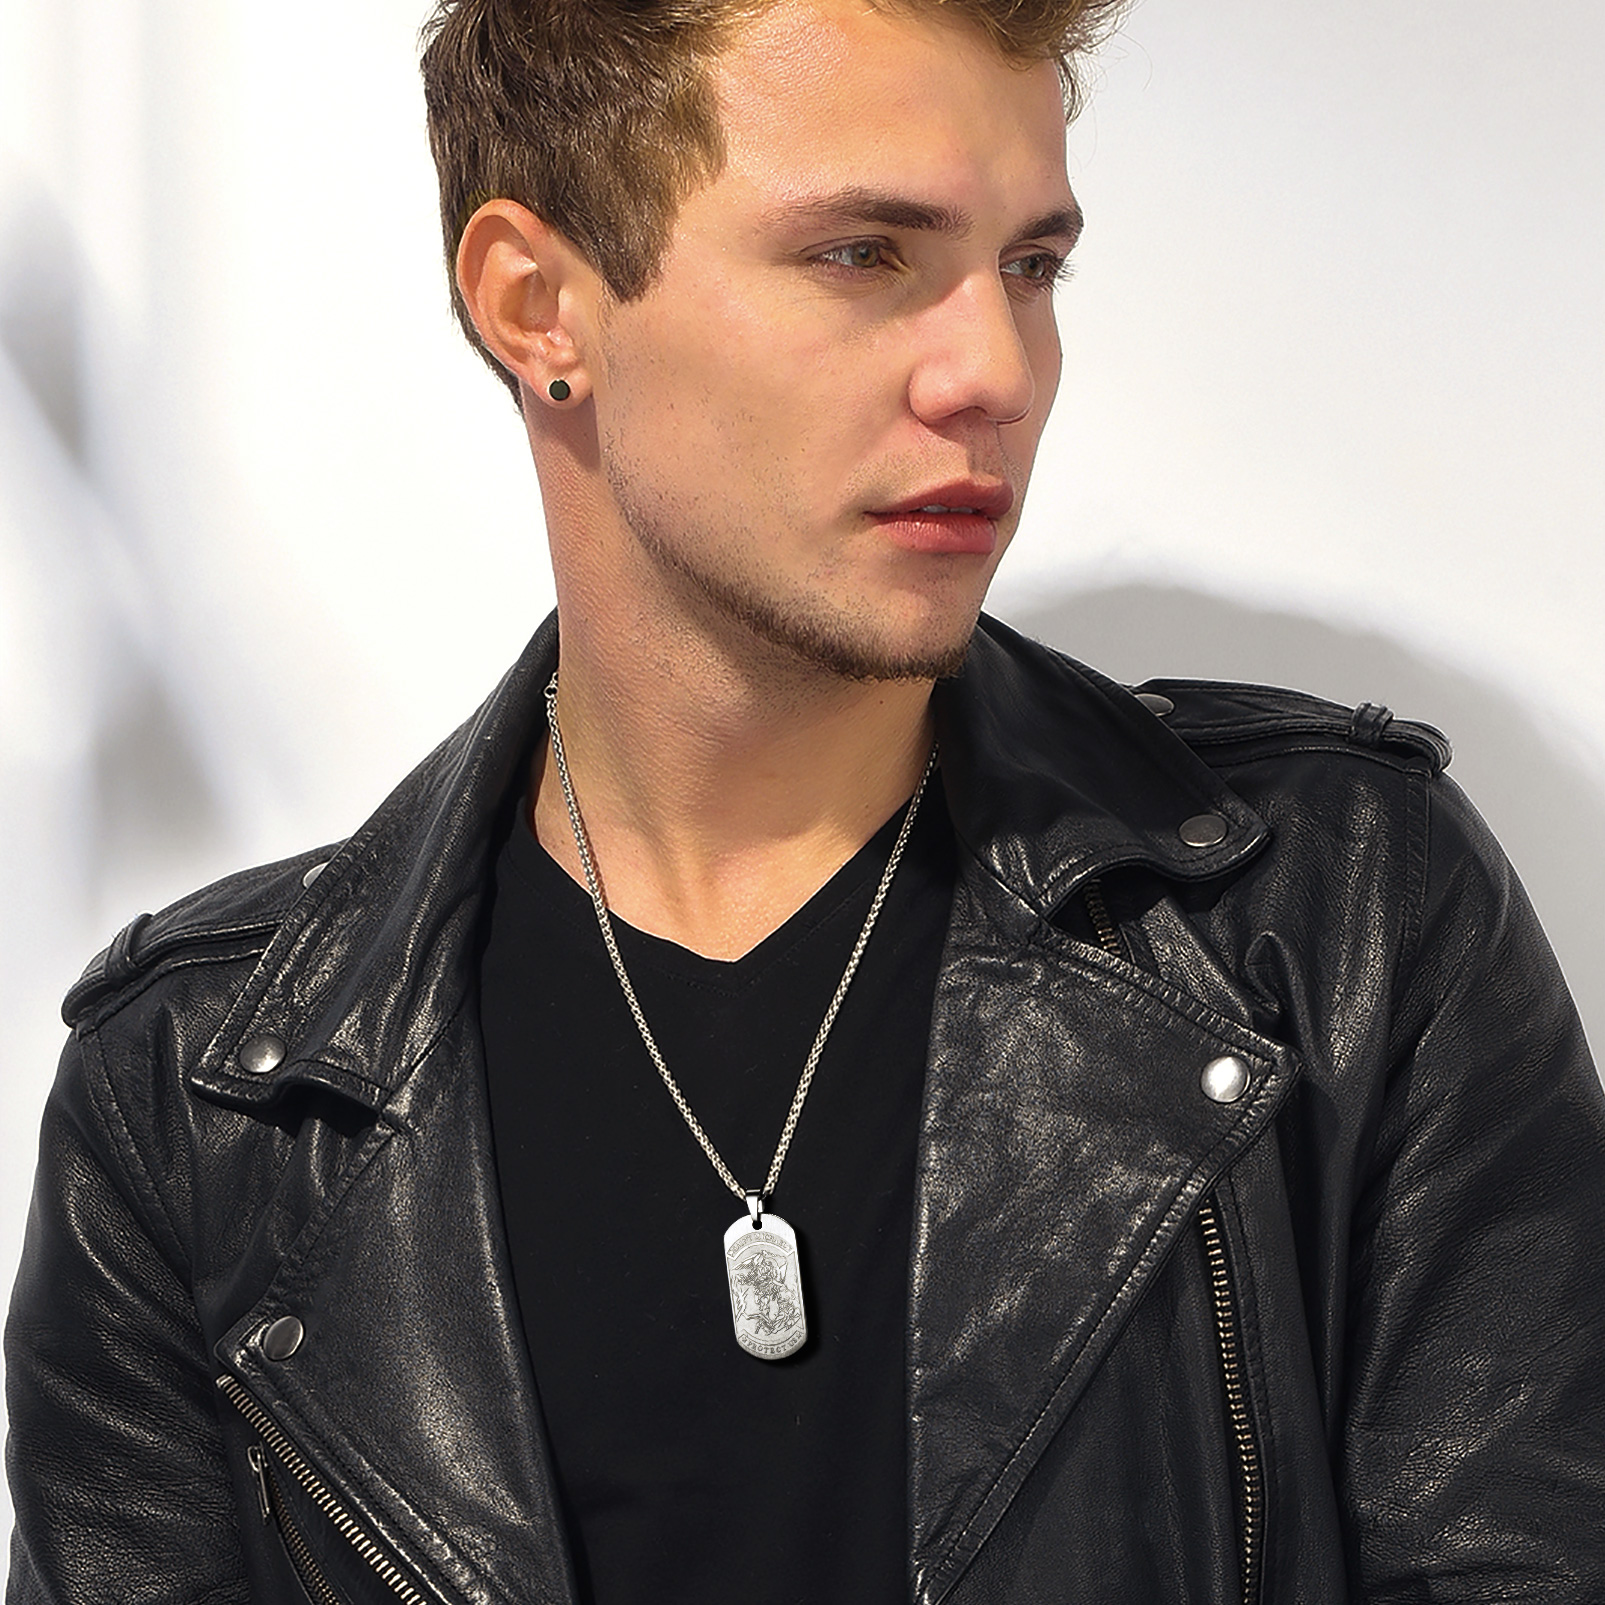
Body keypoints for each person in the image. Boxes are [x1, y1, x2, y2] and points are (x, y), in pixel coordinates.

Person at [8, 0, 1605, 1599]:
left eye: (1029, 267)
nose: (994, 371)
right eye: (862, 254)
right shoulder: (200, 1101)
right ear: (538, 304)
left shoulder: (1341, 917)